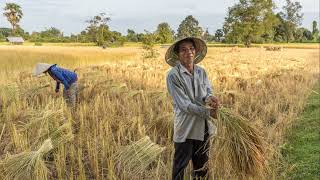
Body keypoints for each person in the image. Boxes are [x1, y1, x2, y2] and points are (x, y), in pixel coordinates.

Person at [165, 37, 219, 180]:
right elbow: (184, 105)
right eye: (183, 50)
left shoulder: (201, 72)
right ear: (177, 54)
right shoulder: (173, 76)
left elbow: (207, 92)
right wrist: (208, 112)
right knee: (180, 167)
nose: (188, 52)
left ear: (195, 51)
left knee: (202, 166)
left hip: (203, 127)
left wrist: (211, 99)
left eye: (191, 49)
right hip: (186, 127)